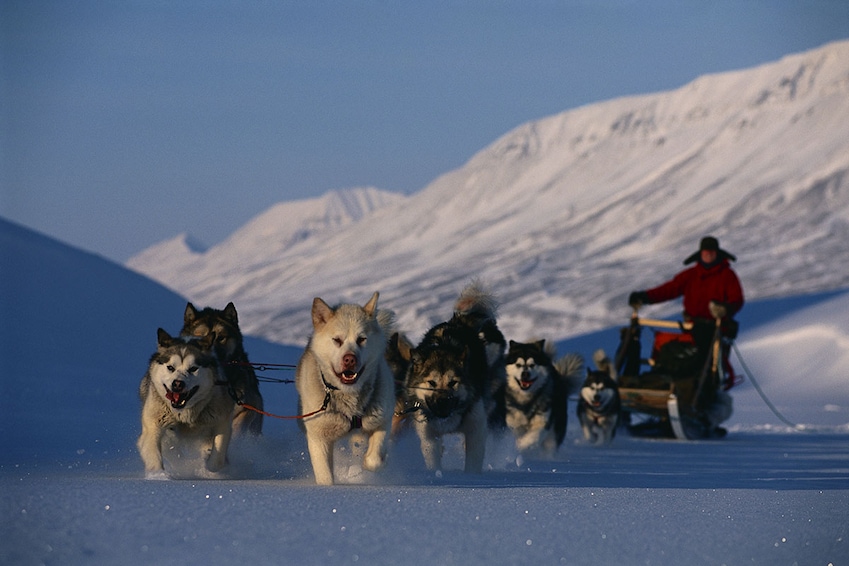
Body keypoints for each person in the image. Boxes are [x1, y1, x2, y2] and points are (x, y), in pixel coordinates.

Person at [628, 236, 744, 389]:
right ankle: (655, 378)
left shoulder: (727, 275)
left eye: (712, 252)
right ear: (700, 254)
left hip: (714, 328)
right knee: (656, 342)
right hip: (692, 325)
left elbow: (737, 299)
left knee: (700, 349)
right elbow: (669, 289)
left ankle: (696, 385)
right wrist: (645, 297)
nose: (708, 255)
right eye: (706, 252)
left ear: (717, 254)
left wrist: (725, 309)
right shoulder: (690, 275)